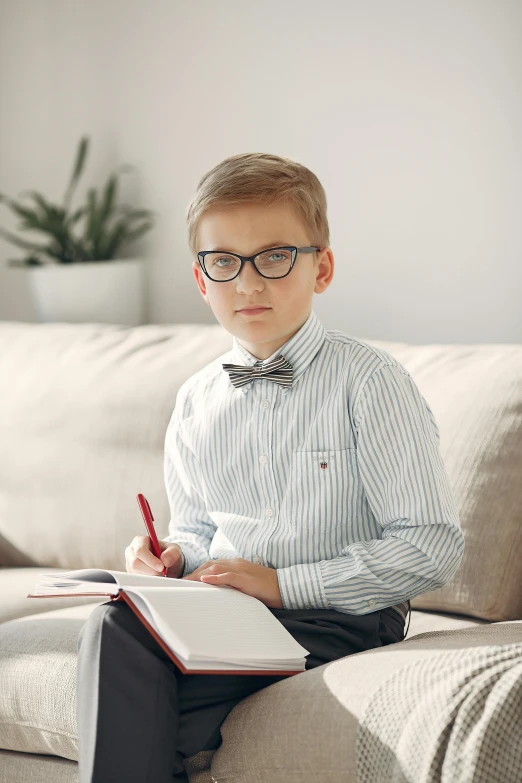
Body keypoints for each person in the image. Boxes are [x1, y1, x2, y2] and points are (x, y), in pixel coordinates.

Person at [76, 152, 465, 783]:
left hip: (340, 618)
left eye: (275, 257)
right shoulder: (197, 400)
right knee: (118, 622)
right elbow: (200, 534)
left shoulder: (370, 383)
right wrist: (173, 559)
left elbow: (432, 547)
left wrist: (283, 586)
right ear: (201, 280)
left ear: (323, 267)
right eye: (224, 262)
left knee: (143, 705)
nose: (248, 283)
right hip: (232, 615)